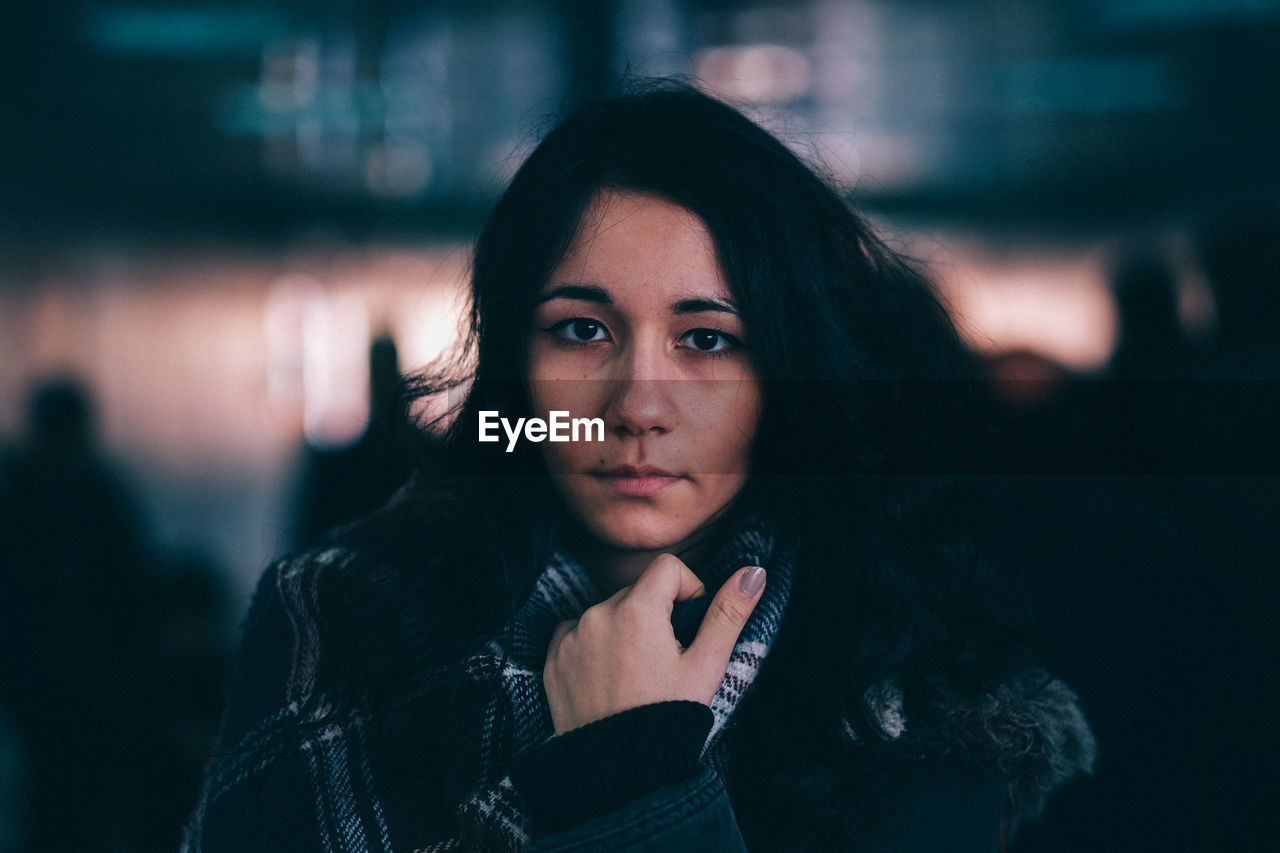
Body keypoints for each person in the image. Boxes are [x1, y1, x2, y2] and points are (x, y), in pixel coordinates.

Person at [183, 83, 1095, 852]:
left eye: (707, 340)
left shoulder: (917, 698)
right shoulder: (338, 614)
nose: (638, 406)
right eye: (582, 330)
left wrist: (633, 772)